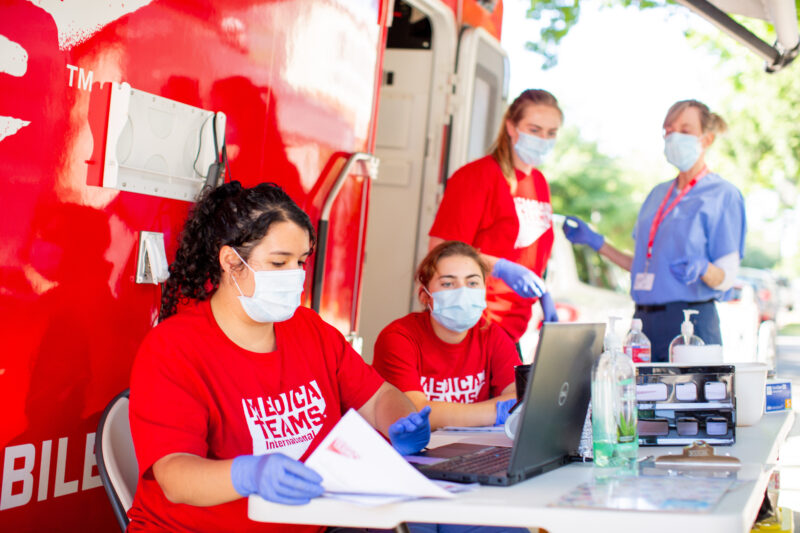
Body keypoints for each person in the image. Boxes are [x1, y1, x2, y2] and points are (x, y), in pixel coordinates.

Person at [127, 182, 431, 533]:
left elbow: (378, 397)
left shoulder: (309, 329)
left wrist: (402, 420)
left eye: (300, 261)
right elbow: (175, 477)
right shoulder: (173, 348)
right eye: (278, 262)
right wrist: (247, 474)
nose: (294, 275)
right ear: (231, 261)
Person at [563, 99, 746, 362]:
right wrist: (595, 242)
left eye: (684, 130)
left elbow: (726, 278)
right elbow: (641, 265)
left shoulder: (722, 195)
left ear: (706, 139)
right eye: (668, 130)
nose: (673, 137)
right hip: (643, 323)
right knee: (638, 400)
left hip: (690, 324)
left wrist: (703, 267)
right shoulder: (657, 194)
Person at [428, 89, 563, 345]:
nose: (543, 139)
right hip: (473, 324)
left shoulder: (539, 183)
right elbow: (441, 249)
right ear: (511, 126)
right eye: (534, 130)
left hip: (514, 328)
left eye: (551, 133)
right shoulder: (477, 177)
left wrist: (543, 294)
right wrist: (501, 267)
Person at [373, 241, 520, 431]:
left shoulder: (492, 335)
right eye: (448, 283)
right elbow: (414, 412)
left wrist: (444, 413)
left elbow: (518, 398)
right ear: (425, 296)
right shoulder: (398, 338)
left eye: (472, 283)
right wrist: (496, 412)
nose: (462, 292)